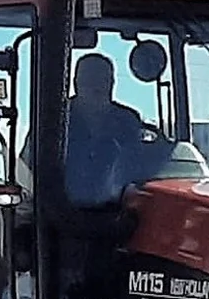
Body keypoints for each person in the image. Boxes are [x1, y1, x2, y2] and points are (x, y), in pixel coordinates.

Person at [62, 54, 149, 201]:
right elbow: (28, 171)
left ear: (112, 83)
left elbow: (140, 168)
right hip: (58, 212)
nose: (97, 85)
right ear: (76, 82)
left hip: (120, 212)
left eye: (103, 79)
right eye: (90, 78)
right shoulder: (55, 118)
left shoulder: (128, 121)